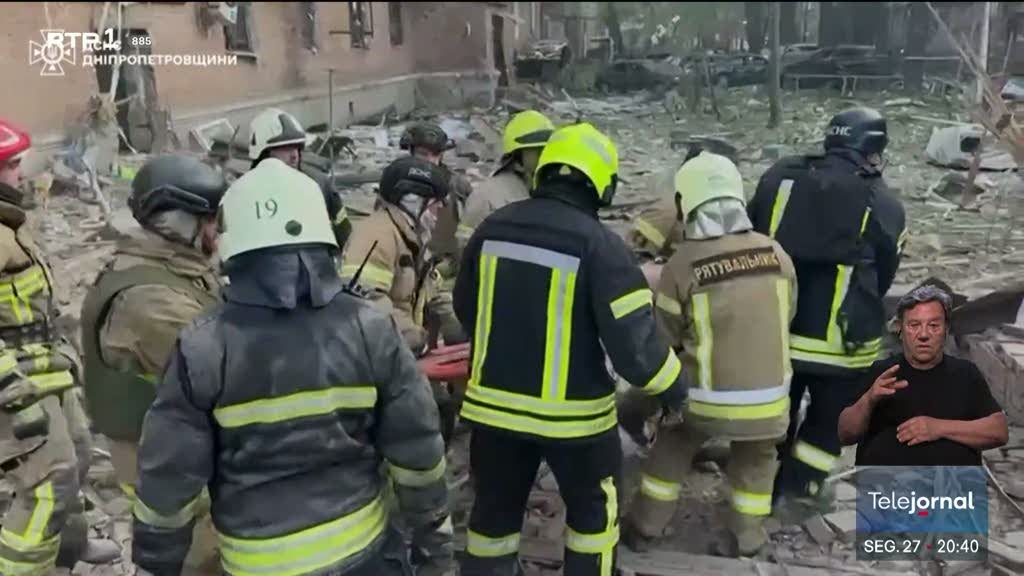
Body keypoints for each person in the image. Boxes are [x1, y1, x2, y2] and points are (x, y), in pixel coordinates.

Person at [131, 158, 454, 576]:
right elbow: (418, 451)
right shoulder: (369, 327)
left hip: (258, 562)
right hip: (366, 555)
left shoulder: (203, 346)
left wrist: (156, 565)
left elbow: (169, 479)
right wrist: (434, 549)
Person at [454, 122, 686, 576]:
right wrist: (675, 388)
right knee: (593, 523)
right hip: (575, 424)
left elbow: (466, 308)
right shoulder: (603, 248)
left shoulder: (492, 230)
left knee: (492, 521)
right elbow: (637, 354)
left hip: (492, 415)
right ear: (603, 184)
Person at [622, 153, 797, 558]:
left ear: (686, 204)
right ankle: (748, 537)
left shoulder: (683, 264)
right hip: (771, 402)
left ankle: (645, 528)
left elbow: (662, 340)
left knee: (673, 447)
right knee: (757, 460)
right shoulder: (777, 254)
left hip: (703, 402)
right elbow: (786, 315)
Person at [747, 107, 907, 507]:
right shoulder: (883, 201)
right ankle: (799, 493)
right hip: (840, 341)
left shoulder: (779, 178)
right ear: (873, 150)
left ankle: (759, 487)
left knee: (775, 414)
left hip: (775, 330)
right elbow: (885, 274)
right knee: (827, 423)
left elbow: (750, 234)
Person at [80, 154, 225, 574]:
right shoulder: (147, 298)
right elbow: (222, 368)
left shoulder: (172, 268)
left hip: (177, 442)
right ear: (181, 223)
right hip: (163, 460)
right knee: (201, 560)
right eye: (210, 219)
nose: (217, 229)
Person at [0, 118, 119, 574]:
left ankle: (69, 547)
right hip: (14, 384)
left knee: (81, 451)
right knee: (50, 480)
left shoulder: (11, 221)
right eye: (12, 167)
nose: (22, 174)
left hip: (44, 369)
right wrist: (12, 396)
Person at [838, 285, 1008, 465]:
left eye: (934, 325)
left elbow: (998, 431)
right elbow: (845, 434)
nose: (924, 335)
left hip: (950, 489)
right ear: (900, 330)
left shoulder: (965, 374)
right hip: (887, 488)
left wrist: (937, 427)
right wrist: (869, 399)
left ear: (946, 330)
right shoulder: (882, 372)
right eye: (914, 325)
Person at [249, 107, 351, 248]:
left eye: (297, 147)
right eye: (285, 147)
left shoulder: (319, 184)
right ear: (262, 153)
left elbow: (344, 234)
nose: (294, 155)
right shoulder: (245, 193)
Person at [455, 110, 554, 251]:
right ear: (517, 155)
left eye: (548, 149)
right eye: (538, 150)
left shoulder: (550, 192)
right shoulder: (487, 197)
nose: (545, 156)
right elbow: (465, 250)